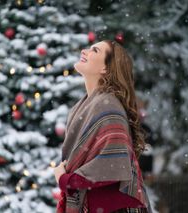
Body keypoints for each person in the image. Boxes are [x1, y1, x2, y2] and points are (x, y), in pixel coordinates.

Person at [53, 40, 153, 213]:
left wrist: (65, 179)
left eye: (95, 50)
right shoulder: (84, 106)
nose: (84, 51)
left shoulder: (108, 107)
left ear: (106, 68)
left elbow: (113, 166)